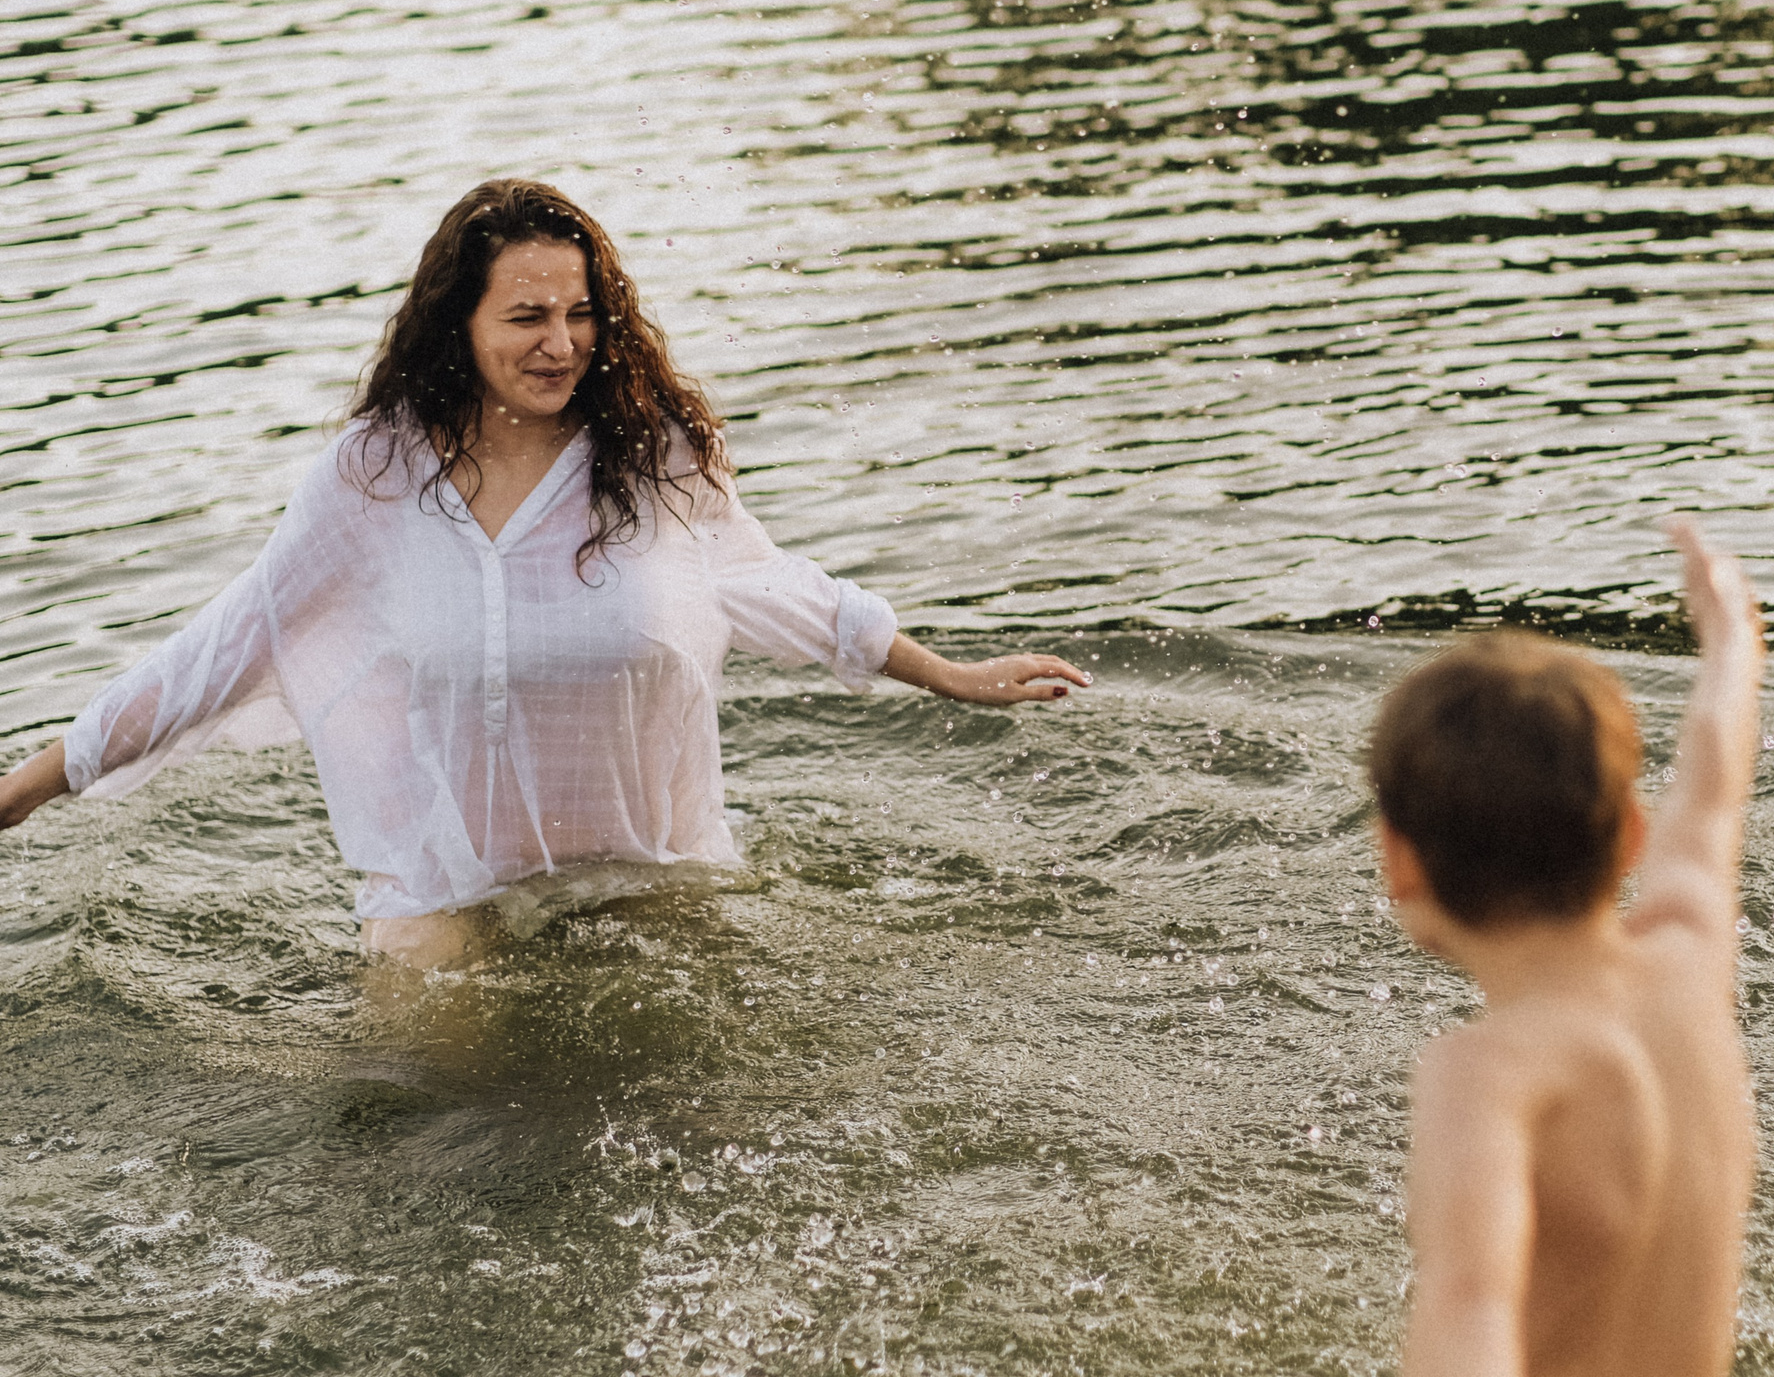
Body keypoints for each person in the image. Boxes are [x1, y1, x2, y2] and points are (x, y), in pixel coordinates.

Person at [0, 178, 1088, 968]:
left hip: (650, 875)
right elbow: (223, 648)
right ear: (459, 327)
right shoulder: (374, 476)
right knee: (447, 1124)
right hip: (446, 895)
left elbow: (765, 584)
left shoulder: (654, 453)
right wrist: (24, 793)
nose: (561, 343)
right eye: (525, 316)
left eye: (579, 314)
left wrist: (949, 673)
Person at [1367, 521, 1759, 1377]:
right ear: (1628, 833)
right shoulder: (1688, 963)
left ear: (1399, 858)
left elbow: (1470, 1303)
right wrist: (1730, 633)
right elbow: (1712, 779)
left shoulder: (1487, 1072)